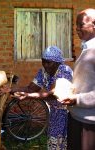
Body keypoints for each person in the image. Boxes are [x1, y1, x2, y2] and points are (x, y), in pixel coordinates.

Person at [10, 46, 73, 150]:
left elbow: (53, 94)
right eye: (43, 62)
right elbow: (31, 88)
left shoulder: (64, 71)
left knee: (67, 141)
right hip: (55, 113)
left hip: (68, 113)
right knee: (54, 141)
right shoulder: (43, 72)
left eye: (49, 62)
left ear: (57, 62)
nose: (45, 65)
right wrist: (11, 90)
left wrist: (28, 96)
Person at [59, 8, 95, 150]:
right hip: (76, 118)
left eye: (81, 24)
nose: (76, 28)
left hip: (90, 125)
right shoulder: (85, 49)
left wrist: (76, 99)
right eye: (76, 25)